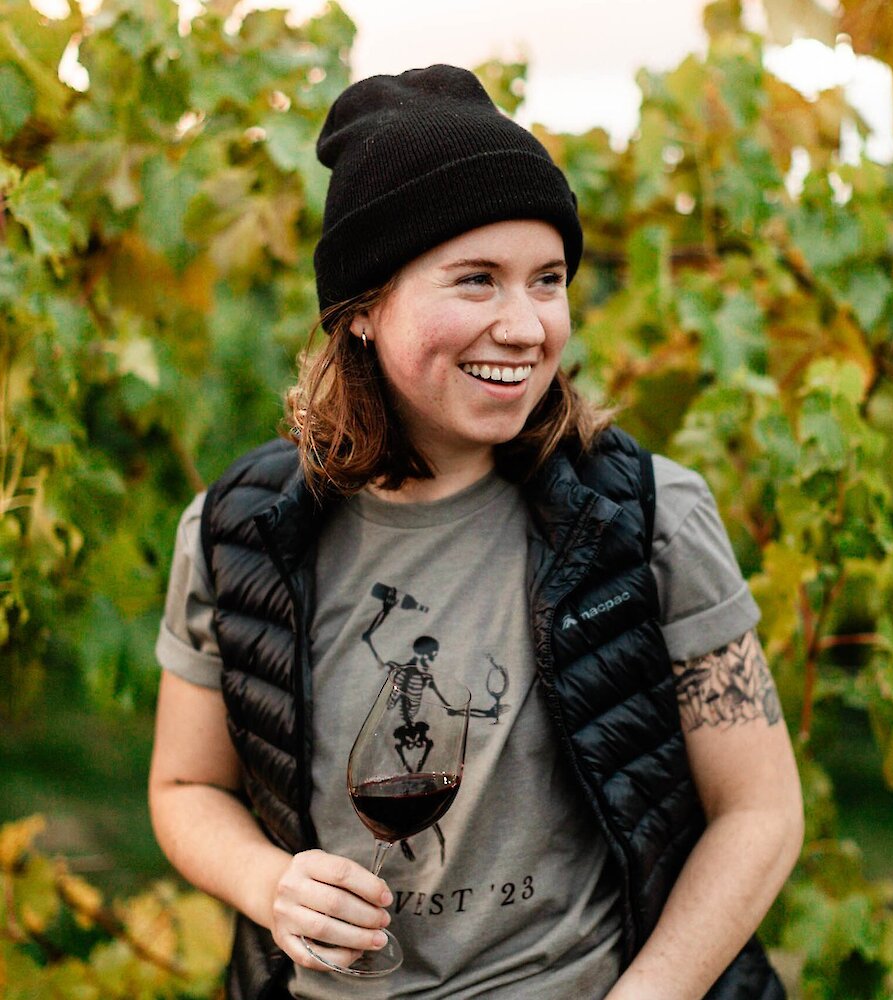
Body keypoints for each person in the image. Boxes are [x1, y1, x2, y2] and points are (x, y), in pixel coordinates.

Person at [148, 64, 803, 1000]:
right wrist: (268, 882)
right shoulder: (237, 533)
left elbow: (762, 812)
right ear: (364, 310)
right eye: (476, 281)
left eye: (547, 280)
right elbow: (184, 790)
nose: (526, 325)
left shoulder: (650, 518)